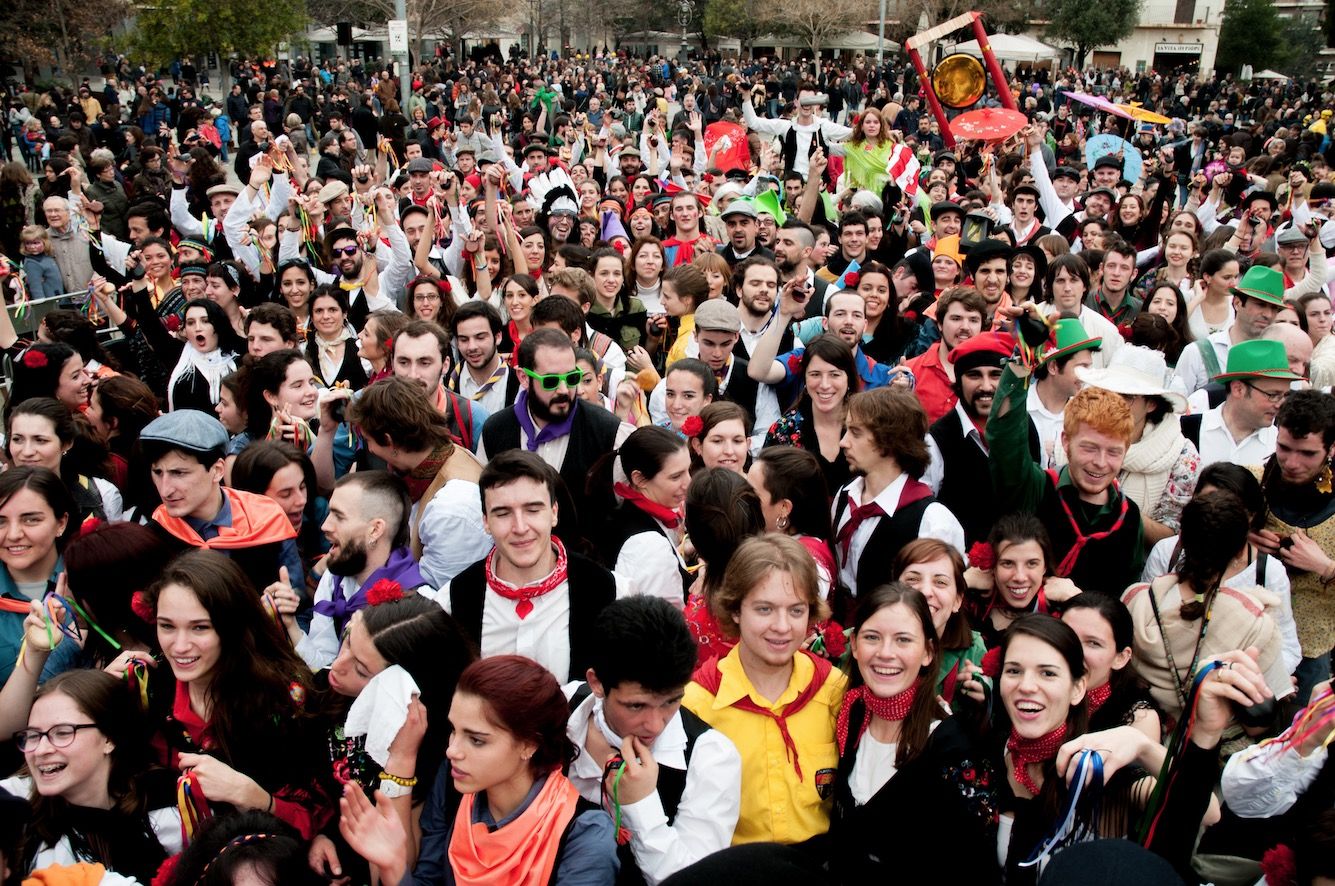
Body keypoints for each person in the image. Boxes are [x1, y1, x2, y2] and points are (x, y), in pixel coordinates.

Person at [340, 654, 619, 885]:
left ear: (529, 745)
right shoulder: (453, 788)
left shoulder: (583, 833)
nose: (452, 751)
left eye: (476, 740)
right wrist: (394, 867)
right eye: (453, 730)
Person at [142, 549, 333, 839]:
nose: (179, 646)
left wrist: (254, 798)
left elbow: (321, 819)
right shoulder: (148, 691)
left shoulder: (285, 701)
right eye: (167, 626)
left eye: (200, 628)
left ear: (233, 626)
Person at [565, 595, 743, 884]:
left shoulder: (710, 757)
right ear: (596, 683)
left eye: (671, 702)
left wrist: (640, 806)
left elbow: (693, 881)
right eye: (637, 706)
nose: (655, 723)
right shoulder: (560, 709)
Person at [683, 533, 846, 845]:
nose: (782, 626)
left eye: (796, 610)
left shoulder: (833, 690)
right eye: (764, 609)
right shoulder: (698, 704)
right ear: (735, 610)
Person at [827, 584, 995, 881]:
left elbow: (975, 864)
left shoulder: (951, 746)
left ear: (929, 652)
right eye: (871, 637)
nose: (885, 653)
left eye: (903, 640)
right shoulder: (851, 717)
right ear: (854, 646)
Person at [310, 592, 477, 885]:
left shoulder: (439, 750)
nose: (337, 666)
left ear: (407, 691)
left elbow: (397, 871)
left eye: (362, 670)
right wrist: (320, 834)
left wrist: (401, 759)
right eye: (347, 639)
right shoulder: (326, 692)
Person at [989, 315, 1146, 596]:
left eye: (1113, 452)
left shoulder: (1129, 517)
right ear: (1066, 441)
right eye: (1089, 447)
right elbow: (1005, 439)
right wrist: (1023, 359)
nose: (1100, 462)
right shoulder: (1037, 488)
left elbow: (1125, 593)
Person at [439, 450, 622, 682]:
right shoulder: (453, 602)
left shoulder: (610, 591)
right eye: (503, 513)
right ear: (486, 521)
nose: (520, 527)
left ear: (554, 513)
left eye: (533, 510)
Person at [1123, 489, 1293, 726]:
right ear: (1239, 550)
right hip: (1206, 748)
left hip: (1136, 735)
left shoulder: (1135, 599)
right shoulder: (1254, 621)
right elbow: (1260, 721)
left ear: (1181, 538)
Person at [1, 670, 181, 882]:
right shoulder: (14, 805)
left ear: (109, 738)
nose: (41, 750)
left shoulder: (171, 806)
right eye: (32, 735)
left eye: (62, 732)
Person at [479, 328, 630, 543]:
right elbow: (485, 507)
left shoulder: (609, 432)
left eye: (571, 378)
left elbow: (630, 513)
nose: (563, 389)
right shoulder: (495, 430)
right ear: (523, 377)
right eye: (550, 381)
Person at [346, 376, 491, 589]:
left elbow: (439, 595)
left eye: (368, 440)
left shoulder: (451, 507)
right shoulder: (438, 458)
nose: (369, 449)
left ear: (388, 441)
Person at [140, 409, 303, 593]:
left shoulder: (265, 518)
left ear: (218, 470)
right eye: (157, 472)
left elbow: (300, 602)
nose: (165, 489)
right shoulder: (152, 538)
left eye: (179, 473)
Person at [833, 388, 964, 605]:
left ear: (889, 440)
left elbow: (941, 600)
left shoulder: (933, 520)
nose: (843, 442)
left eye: (856, 433)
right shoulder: (845, 495)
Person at [1246, 390, 1335, 705]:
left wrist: (1325, 567)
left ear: (1331, 449)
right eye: (1284, 448)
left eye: (1307, 453)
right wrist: (1243, 539)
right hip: (1249, 642)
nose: (1292, 463)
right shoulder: (1252, 483)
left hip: (1315, 652)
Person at [1072, 345, 1200, 545]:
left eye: (1127, 396)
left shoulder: (1181, 454)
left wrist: (1117, 506)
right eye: (1109, 392)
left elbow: (1171, 535)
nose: (1114, 402)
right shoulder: (1078, 431)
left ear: (1152, 404)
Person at [926, 331, 1040, 546]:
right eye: (974, 375)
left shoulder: (1027, 426)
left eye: (996, 375)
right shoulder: (936, 441)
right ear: (958, 381)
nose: (986, 387)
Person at [0, 467, 80, 684]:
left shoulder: (87, 582)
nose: (14, 534)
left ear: (61, 523)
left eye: (30, 520)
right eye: (1, 521)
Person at [892, 539, 987, 704]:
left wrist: (983, 695)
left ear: (957, 600)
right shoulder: (858, 641)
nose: (925, 592)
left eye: (940, 582)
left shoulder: (972, 650)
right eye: (913, 579)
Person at [1181, 339, 1300, 468]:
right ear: (1238, 389)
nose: (1280, 405)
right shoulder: (1185, 430)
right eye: (1273, 395)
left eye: (1285, 396)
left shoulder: (1281, 444)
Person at [762, 334, 856, 495]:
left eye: (834, 374)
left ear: (849, 379)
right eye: (815, 374)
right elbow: (767, 489)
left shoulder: (868, 426)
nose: (825, 384)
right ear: (804, 378)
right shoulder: (784, 430)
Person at [1058, 593, 1161, 738]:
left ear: (1120, 657)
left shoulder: (1138, 721)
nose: (1074, 651)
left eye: (1093, 643)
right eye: (1067, 635)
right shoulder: (1031, 687)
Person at [7, 397, 124, 523]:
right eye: (17, 439)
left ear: (66, 443)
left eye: (40, 440)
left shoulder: (103, 495)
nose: (27, 452)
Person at [1175, 265, 1285, 396]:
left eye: (1274, 308)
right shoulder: (1197, 352)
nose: (1268, 314)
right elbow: (1175, 407)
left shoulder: (1281, 357)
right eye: (1260, 305)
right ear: (1237, 303)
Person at [1025, 317, 1103, 468]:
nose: (1087, 375)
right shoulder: (1019, 410)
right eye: (1082, 367)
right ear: (1053, 367)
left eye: (1089, 367)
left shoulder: (1088, 414)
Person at [449, 300, 520, 415]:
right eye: (464, 339)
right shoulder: (447, 383)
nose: (472, 347)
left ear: (498, 337)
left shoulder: (519, 385)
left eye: (480, 337)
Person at [689, 402, 750, 475]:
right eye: (717, 441)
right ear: (698, 446)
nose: (729, 451)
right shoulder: (684, 486)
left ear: (748, 444)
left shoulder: (760, 486)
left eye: (737, 441)